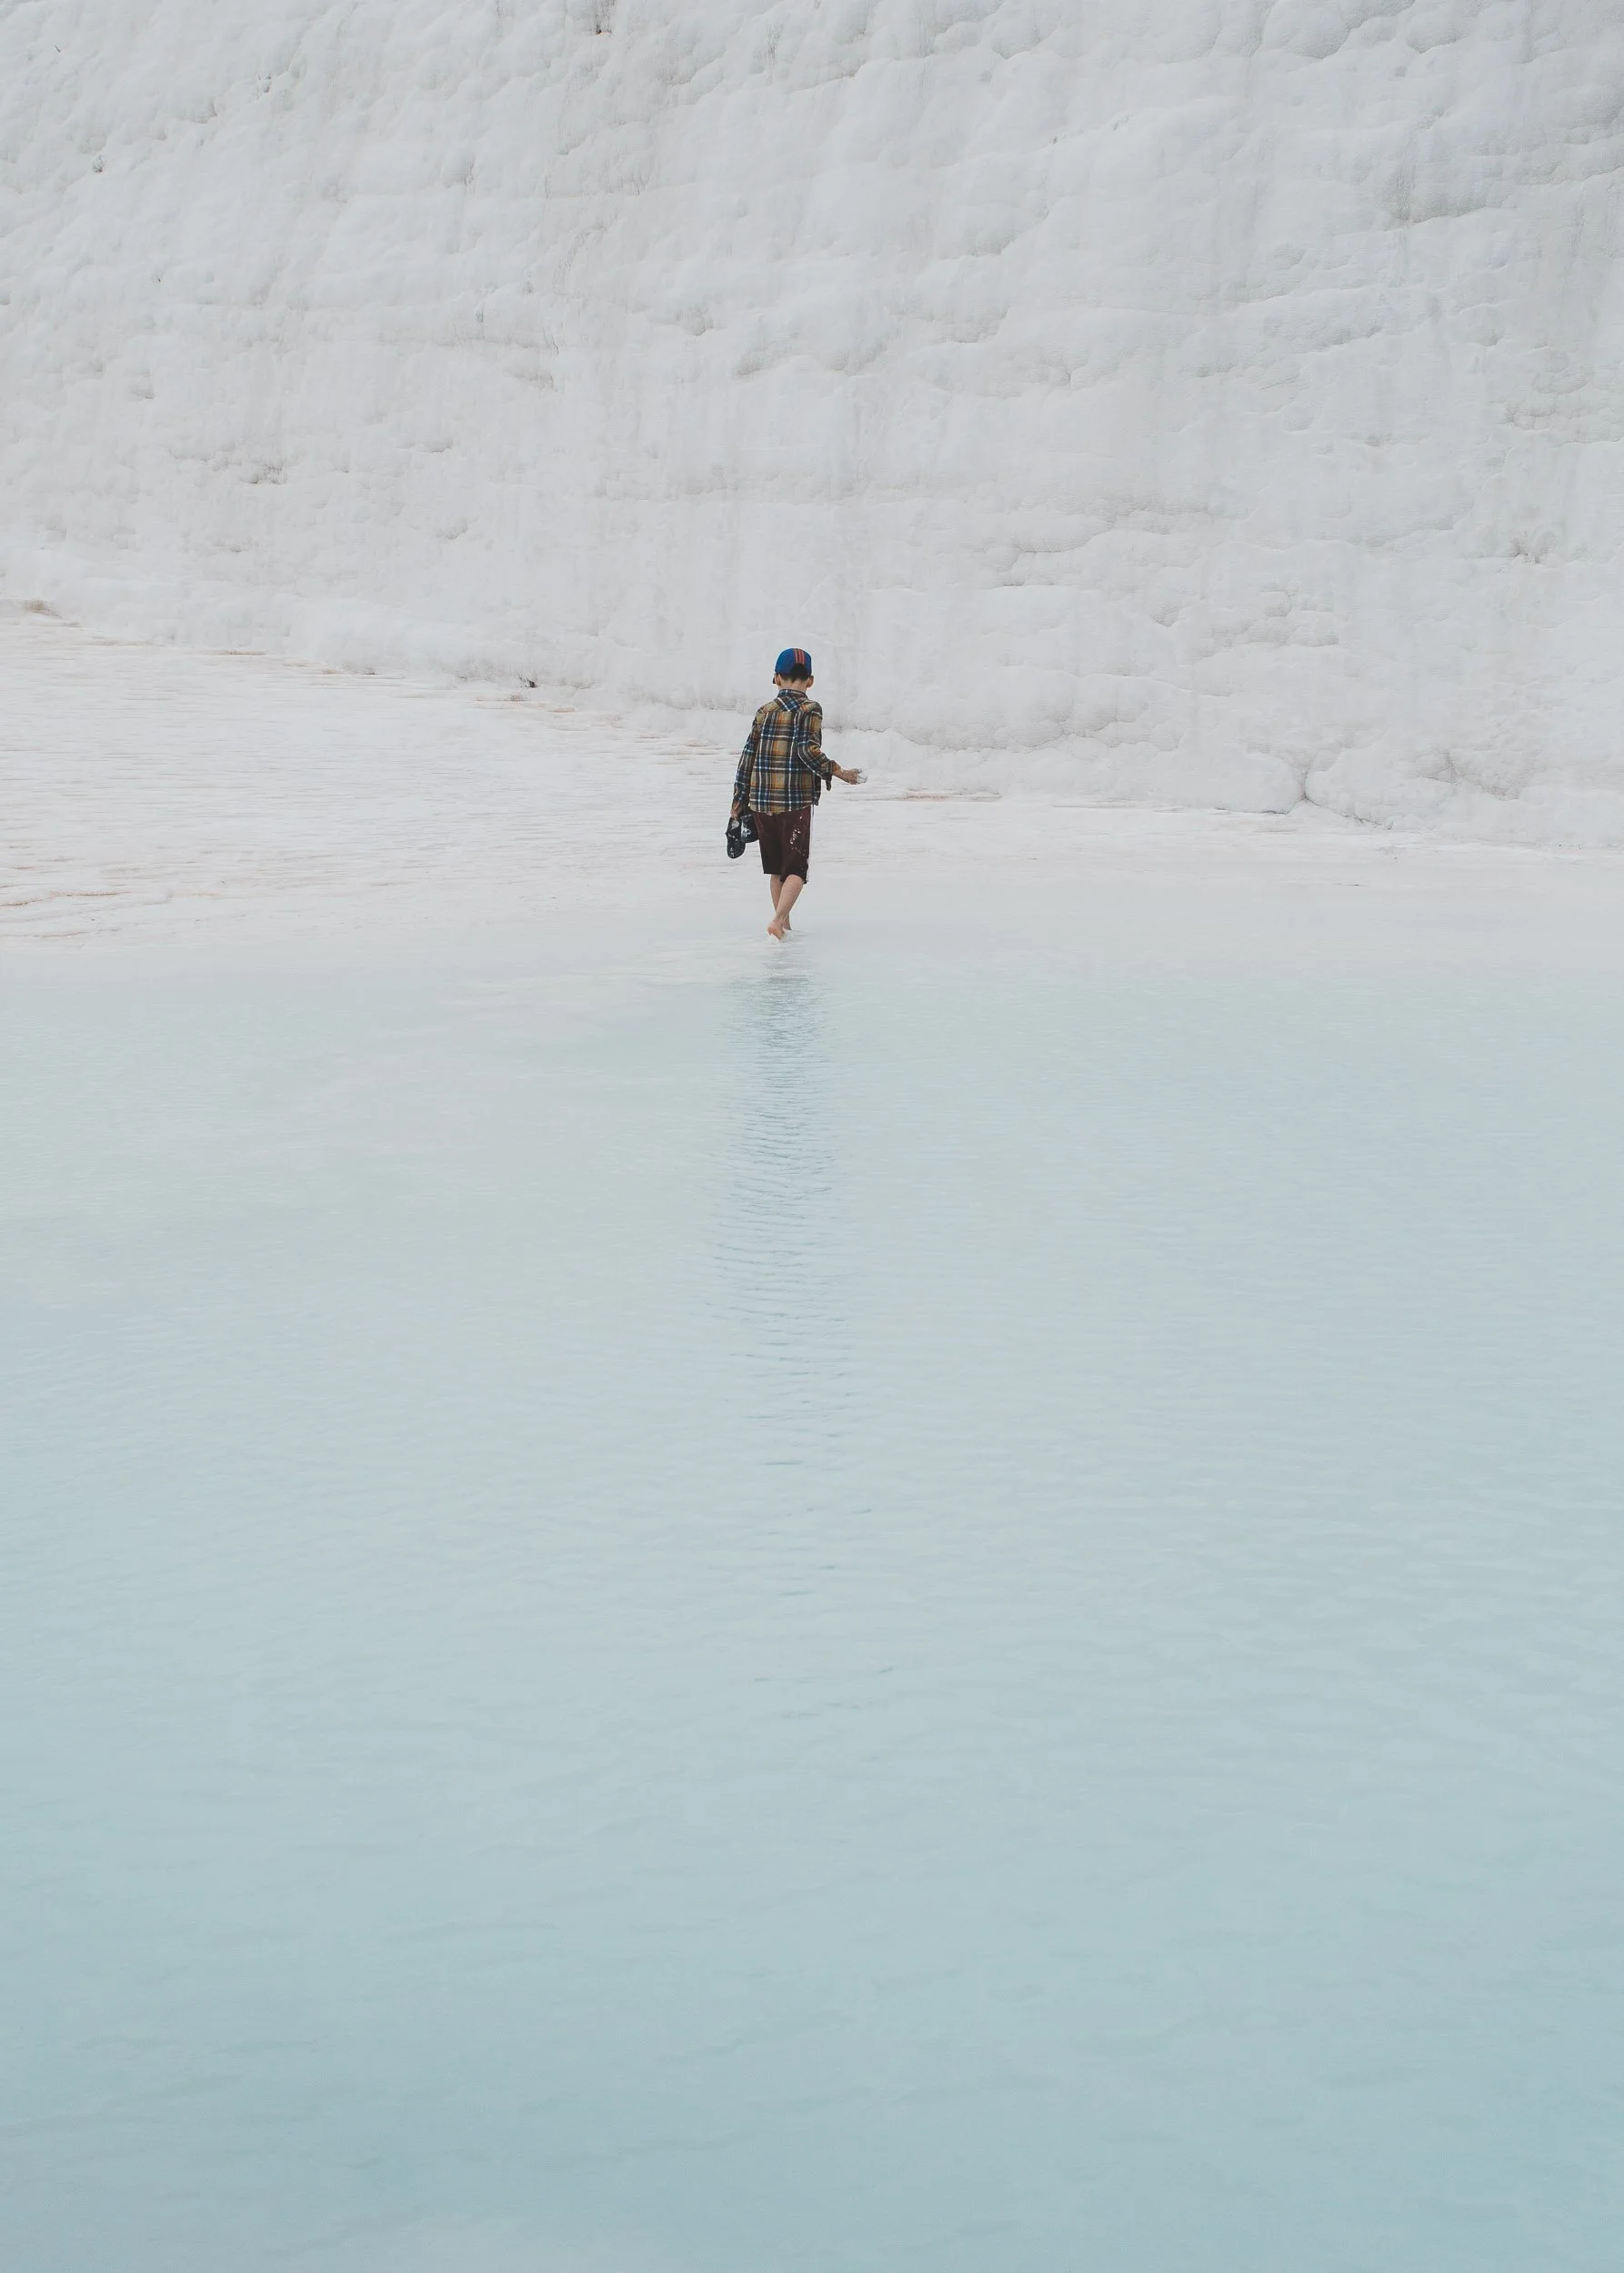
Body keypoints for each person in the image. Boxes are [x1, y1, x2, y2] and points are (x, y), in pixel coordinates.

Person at [731, 647, 862, 939]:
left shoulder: (764, 711)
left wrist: (737, 804)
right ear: (810, 681)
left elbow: (747, 758)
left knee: (777, 869)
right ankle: (778, 921)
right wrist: (838, 771)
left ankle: (785, 929)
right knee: (796, 870)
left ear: (776, 678)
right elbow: (807, 750)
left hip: (762, 802)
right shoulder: (810, 709)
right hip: (794, 800)